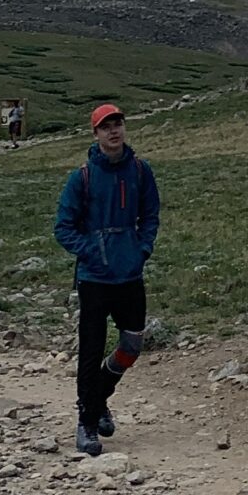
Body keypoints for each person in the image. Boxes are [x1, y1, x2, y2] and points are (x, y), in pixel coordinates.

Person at [54, 103, 160, 458]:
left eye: (118, 124)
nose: (114, 131)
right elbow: (63, 228)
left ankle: (98, 399)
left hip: (130, 273)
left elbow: (150, 216)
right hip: (95, 278)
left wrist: (141, 249)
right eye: (106, 127)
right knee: (91, 349)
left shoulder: (141, 171)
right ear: (95, 134)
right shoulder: (81, 178)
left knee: (132, 345)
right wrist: (93, 252)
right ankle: (86, 423)